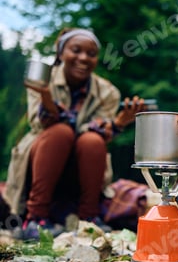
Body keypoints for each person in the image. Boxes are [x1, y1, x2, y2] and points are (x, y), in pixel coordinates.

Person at [2, 27, 145, 240]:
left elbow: (95, 131)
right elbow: (37, 123)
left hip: (79, 170)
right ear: (60, 54)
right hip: (43, 159)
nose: (83, 58)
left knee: (92, 141)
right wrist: (46, 98)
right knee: (60, 133)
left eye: (91, 54)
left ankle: (89, 220)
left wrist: (117, 124)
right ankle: (36, 218)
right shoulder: (42, 80)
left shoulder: (108, 92)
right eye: (76, 50)